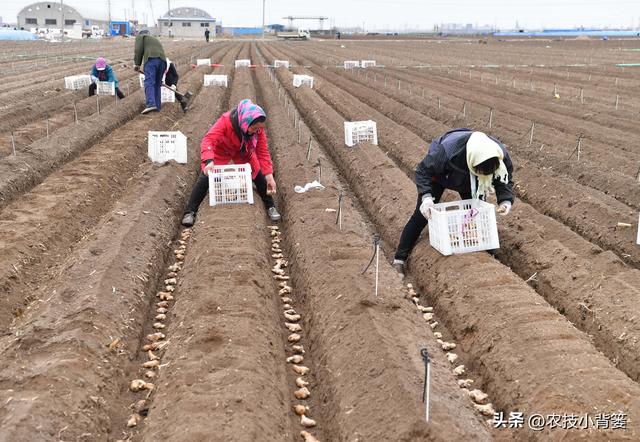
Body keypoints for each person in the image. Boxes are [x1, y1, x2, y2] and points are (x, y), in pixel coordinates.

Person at [393, 129, 514, 277]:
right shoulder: (448, 150)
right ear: (472, 162)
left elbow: (504, 179)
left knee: (476, 214)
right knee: (421, 216)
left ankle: (490, 253)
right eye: (481, 172)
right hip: (441, 176)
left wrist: (505, 200)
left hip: (472, 180)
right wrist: (426, 197)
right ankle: (400, 258)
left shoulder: (499, 155)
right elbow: (423, 171)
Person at [181, 99, 282, 226]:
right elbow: (208, 139)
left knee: (258, 175)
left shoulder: (258, 129)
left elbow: (262, 152)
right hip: (222, 149)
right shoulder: (225, 121)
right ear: (246, 122)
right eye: (253, 128)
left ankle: (270, 206)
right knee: (206, 176)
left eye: (258, 129)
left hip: (244, 150)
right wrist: (209, 161)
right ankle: (190, 212)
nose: (255, 131)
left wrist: (269, 176)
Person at [134, 34, 167, 115]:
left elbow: (138, 50)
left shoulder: (140, 37)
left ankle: (151, 104)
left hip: (151, 60)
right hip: (162, 61)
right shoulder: (153, 39)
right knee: (156, 85)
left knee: (149, 82)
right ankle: (157, 108)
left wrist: (137, 64)